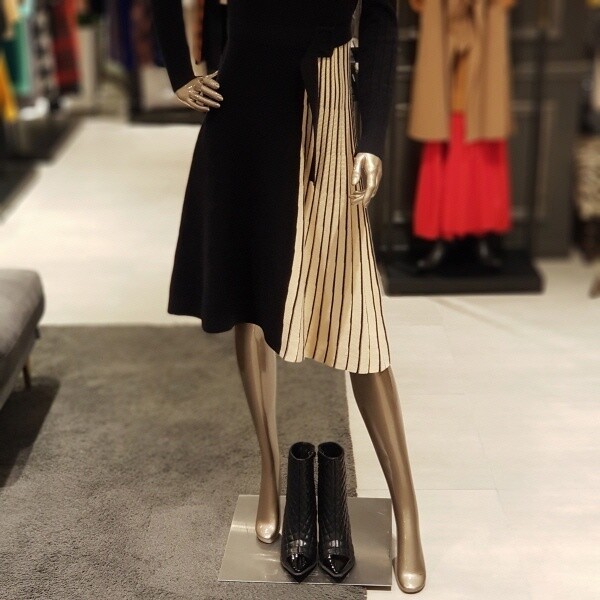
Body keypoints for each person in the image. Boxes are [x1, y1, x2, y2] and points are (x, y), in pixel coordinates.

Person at [150, 0, 426, 592]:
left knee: (359, 317)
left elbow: (381, 20)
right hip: (243, 107)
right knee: (252, 302)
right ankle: (271, 473)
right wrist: (179, 71)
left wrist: (372, 138)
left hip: (330, 109)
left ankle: (407, 512)